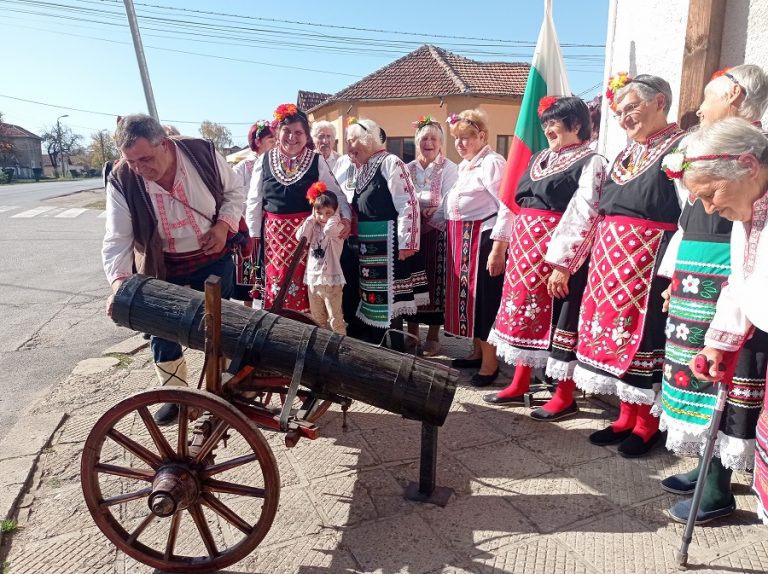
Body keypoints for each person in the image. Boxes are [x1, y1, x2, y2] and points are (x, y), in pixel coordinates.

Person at [655, 65, 768, 524]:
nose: (709, 208)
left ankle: (719, 484)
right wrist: (718, 342)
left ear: (746, 165)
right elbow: (741, 286)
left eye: (712, 193)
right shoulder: (746, 211)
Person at [102, 114, 245, 425]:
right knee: (160, 327)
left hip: (212, 257)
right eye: (131, 161)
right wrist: (118, 286)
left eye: (145, 159)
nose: (139, 168)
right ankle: (175, 395)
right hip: (161, 263)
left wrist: (222, 227)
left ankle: (226, 385)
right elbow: (118, 238)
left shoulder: (202, 153)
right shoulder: (122, 178)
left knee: (223, 323)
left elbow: (236, 192)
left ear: (164, 144)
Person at [574, 74, 686, 457]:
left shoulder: (680, 148)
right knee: (615, 336)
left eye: (631, 108)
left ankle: (647, 424)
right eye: (619, 112)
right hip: (611, 261)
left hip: (649, 260)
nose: (624, 118)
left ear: (659, 102)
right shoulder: (624, 154)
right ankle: (625, 415)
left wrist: (677, 270)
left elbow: (691, 210)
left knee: (644, 337)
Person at [483, 96, 608, 421]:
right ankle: (521, 381)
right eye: (546, 123)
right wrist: (502, 244)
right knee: (524, 314)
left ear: (576, 124)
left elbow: (585, 211)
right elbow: (515, 205)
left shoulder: (591, 161)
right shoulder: (539, 158)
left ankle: (565, 396)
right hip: (524, 252)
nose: (548, 128)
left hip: (557, 253)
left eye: (555, 122)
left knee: (559, 320)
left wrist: (562, 264)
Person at [245, 103, 351, 312]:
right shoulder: (264, 160)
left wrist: (345, 218)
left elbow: (337, 194)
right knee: (275, 284)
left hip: (307, 236)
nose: (292, 137)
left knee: (307, 287)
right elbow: (254, 200)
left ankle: (305, 333)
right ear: (277, 132)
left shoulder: (316, 161)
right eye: (287, 131)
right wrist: (252, 237)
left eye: (298, 132)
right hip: (273, 239)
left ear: (307, 136)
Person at [432, 109, 506, 386]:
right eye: (458, 138)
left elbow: (506, 207)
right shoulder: (465, 166)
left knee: (484, 301)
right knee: (469, 301)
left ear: (482, 136)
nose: (461, 143)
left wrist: (499, 247)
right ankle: (476, 352)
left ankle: (490, 363)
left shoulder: (492, 163)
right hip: (462, 239)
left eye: (467, 137)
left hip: (482, 240)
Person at [344, 117, 427, 341]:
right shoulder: (362, 169)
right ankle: (377, 350)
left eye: (352, 141)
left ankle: (394, 354)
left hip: (389, 248)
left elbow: (408, 202)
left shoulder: (391, 162)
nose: (348, 147)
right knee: (373, 304)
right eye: (347, 142)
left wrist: (407, 242)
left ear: (367, 140)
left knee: (390, 306)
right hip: (369, 249)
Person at [405, 115, 458, 356]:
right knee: (412, 281)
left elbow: (449, 200)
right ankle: (412, 333)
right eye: (424, 138)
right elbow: (403, 198)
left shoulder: (449, 169)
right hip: (412, 235)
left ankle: (434, 337)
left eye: (433, 139)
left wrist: (428, 218)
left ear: (441, 143)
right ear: (417, 142)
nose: (428, 143)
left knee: (435, 284)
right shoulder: (407, 169)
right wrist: (415, 215)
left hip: (437, 234)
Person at [295, 182, 346, 334]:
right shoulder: (314, 227)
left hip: (331, 281)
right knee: (317, 320)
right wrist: (312, 218)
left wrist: (336, 215)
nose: (323, 217)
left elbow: (329, 230)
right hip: (313, 280)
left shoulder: (338, 227)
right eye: (320, 213)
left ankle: (342, 349)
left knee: (335, 319)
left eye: (328, 212)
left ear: (335, 212)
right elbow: (300, 236)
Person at [232, 120, 276, 191]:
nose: (276, 145)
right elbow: (234, 196)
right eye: (271, 141)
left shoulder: (280, 166)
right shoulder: (241, 170)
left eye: (277, 141)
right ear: (258, 142)